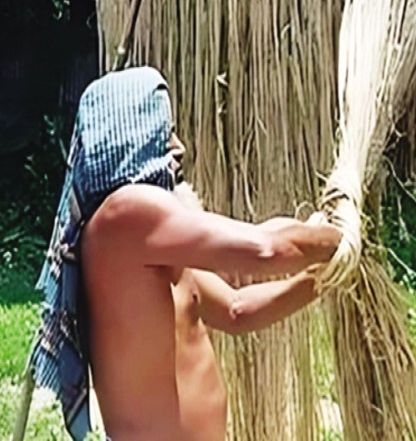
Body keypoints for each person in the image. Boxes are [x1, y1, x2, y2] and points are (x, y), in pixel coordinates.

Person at [29, 67, 342, 440]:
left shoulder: (148, 241)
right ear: (133, 133)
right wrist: (337, 238)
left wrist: (323, 278)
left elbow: (235, 309)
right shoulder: (126, 213)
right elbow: (263, 248)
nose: (178, 146)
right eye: (166, 132)